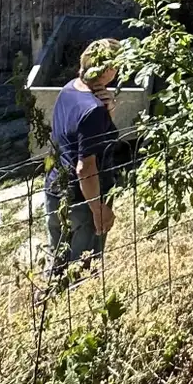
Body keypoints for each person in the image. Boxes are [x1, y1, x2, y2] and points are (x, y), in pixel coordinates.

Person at [45, 37, 124, 279]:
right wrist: (98, 209)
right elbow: (85, 168)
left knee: (56, 264)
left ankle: (44, 306)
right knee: (82, 270)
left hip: (55, 189)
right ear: (108, 69)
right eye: (117, 65)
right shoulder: (93, 110)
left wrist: (108, 110)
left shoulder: (70, 88)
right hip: (83, 199)